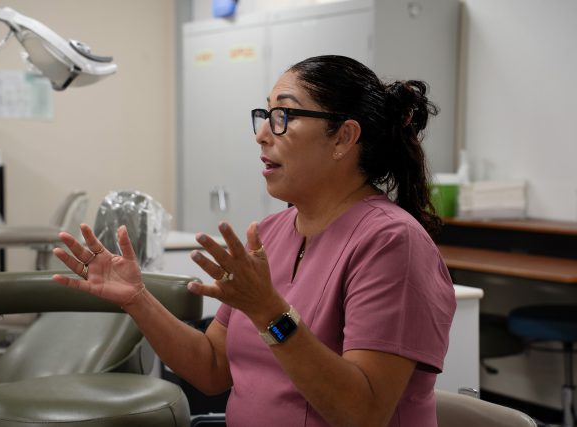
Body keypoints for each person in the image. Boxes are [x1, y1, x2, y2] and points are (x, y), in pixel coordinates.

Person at [52, 55, 456, 427]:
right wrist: (137, 300)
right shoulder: (270, 233)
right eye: (265, 114)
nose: (262, 134)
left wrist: (268, 313)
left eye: (283, 115)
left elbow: (363, 413)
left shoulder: (392, 243)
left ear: (343, 138)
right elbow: (212, 368)